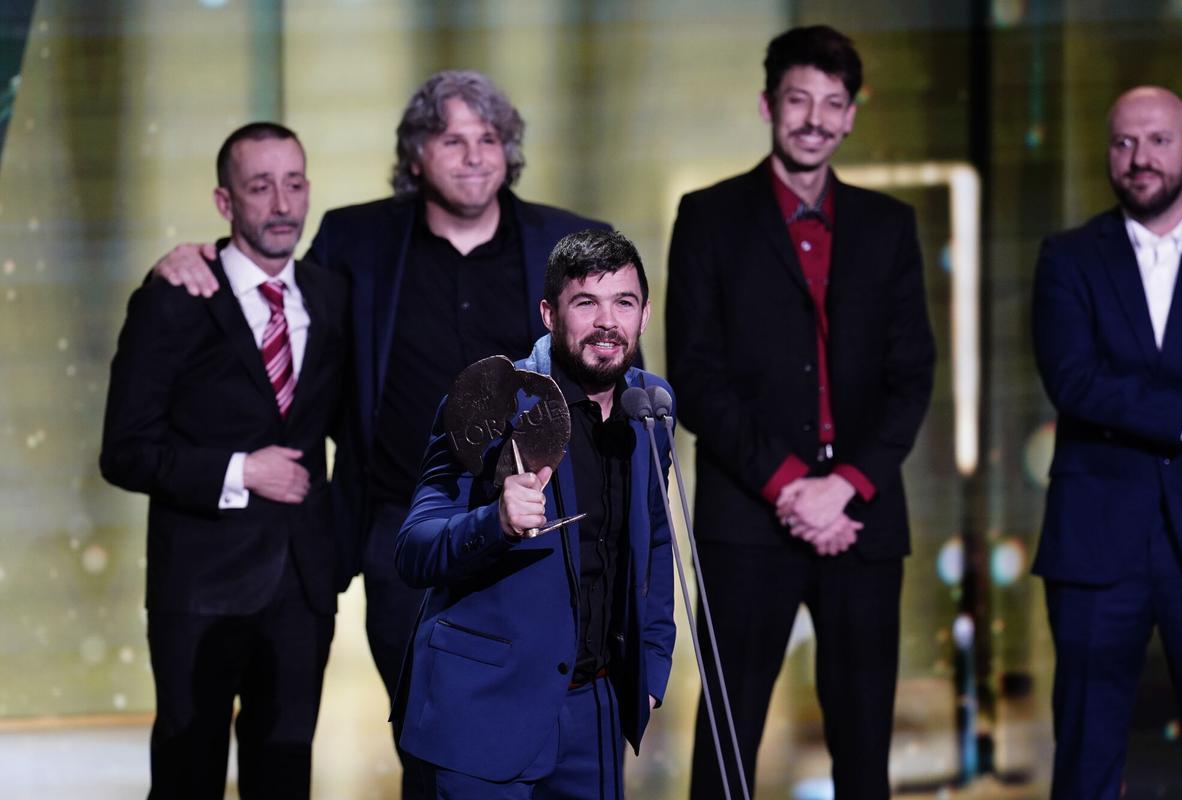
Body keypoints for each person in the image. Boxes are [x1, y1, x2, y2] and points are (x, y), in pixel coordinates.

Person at [150, 71, 608, 792]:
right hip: (406, 531)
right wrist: (196, 256)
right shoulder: (355, 240)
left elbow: (610, 372)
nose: (474, 156)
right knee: (426, 744)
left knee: (534, 738)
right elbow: (271, 296)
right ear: (416, 155)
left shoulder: (568, 242)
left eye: (489, 139)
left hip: (539, 531)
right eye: (451, 139)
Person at [666, 25, 936, 799]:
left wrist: (843, 485)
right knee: (727, 750)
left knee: (865, 754)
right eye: (798, 100)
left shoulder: (889, 226)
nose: (815, 119)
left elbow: (912, 376)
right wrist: (790, 485)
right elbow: (696, 377)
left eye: (832, 103)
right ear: (767, 105)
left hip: (861, 520)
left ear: (851, 115)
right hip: (748, 518)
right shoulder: (709, 217)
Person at [100, 122, 347, 799]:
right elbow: (124, 453)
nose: (282, 204)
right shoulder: (174, 298)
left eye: (293, 184)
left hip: (302, 588)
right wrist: (241, 470)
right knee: (188, 775)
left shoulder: (332, 297)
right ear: (224, 201)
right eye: (259, 187)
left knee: (285, 776)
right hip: (199, 590)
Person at [393, 229, 675, 798]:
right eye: (585, 302)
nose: (607, 322)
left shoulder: (650, 406)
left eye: (624, 302)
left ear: (644, 315)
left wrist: (651, 667)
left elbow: (654, 542)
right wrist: (493, 522)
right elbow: (413, 548)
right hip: (483, 714)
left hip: (595, 715)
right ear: (549, 314)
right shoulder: (491, 401)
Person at [1033, 85, 1182, 798]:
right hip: (1096, 542)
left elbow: (1105, 385)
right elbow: (1073, 381)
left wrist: (1138, 401)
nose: (1140, 158)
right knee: (1086, 760)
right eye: (1124, 142)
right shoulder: (1067, 257)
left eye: (1159, 140)